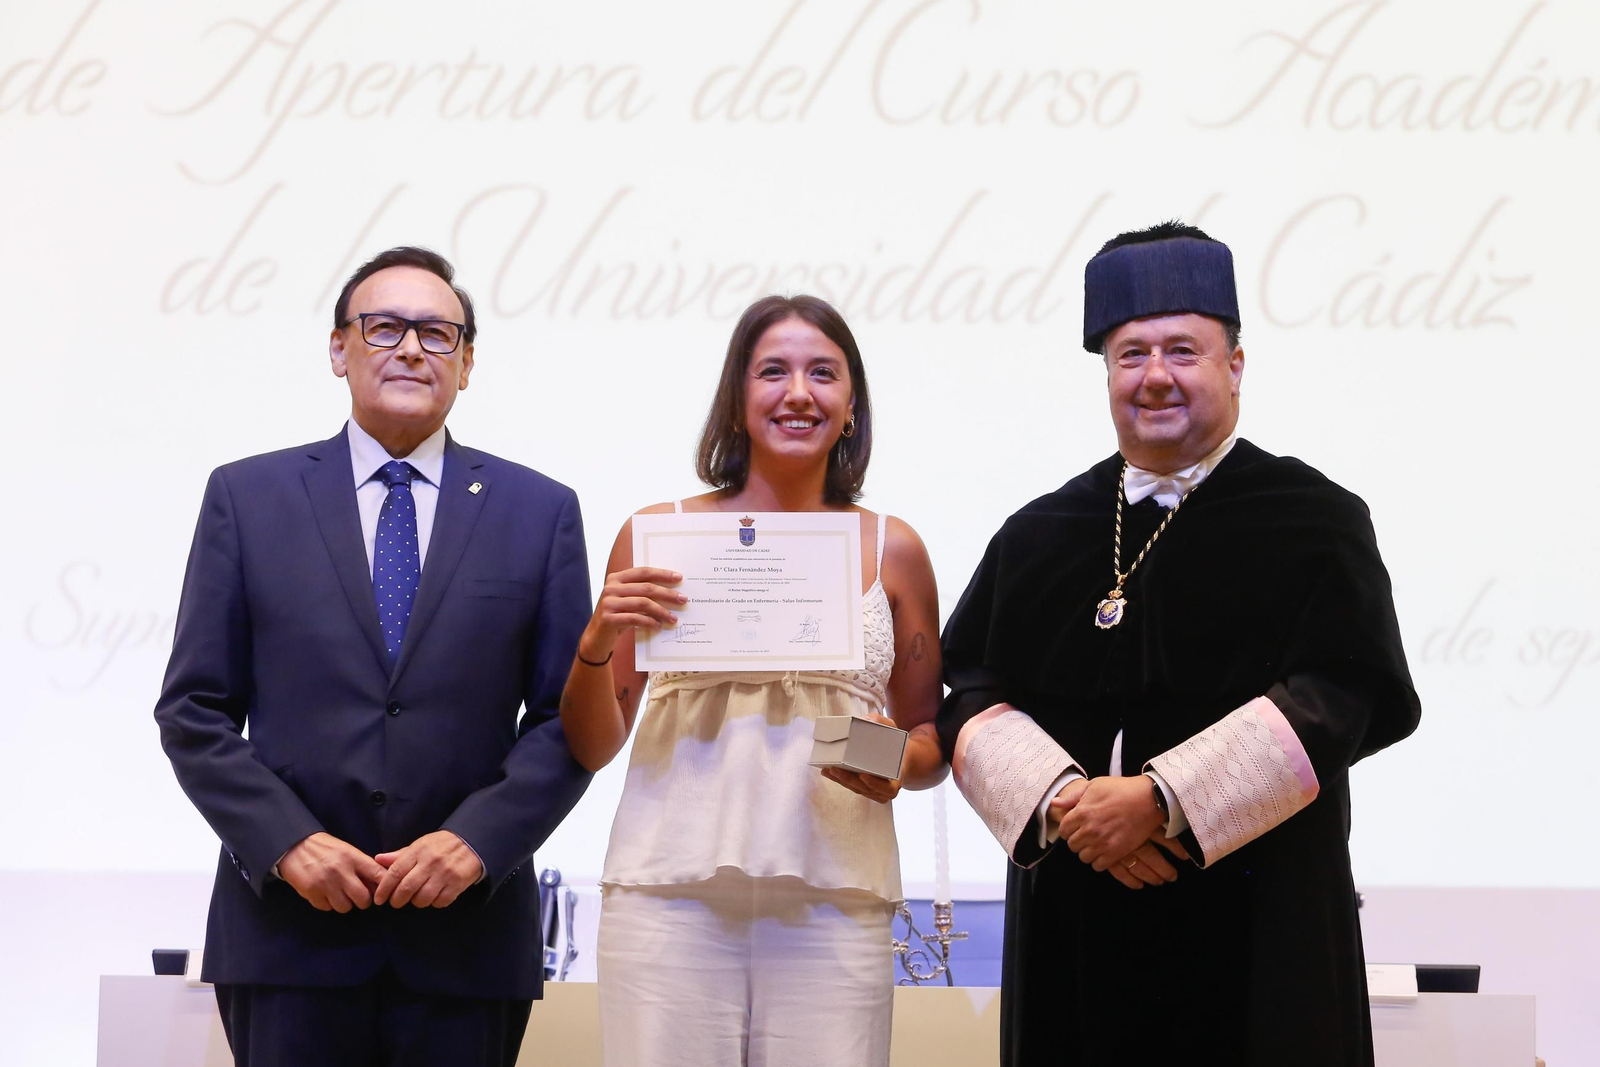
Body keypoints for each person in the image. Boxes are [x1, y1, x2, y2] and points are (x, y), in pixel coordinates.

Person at [939, 222, 1421, 1066]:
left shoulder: (1315, 522)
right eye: (1131, 354)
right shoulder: (1040, 532)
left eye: (1182, 350)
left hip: (1260, 924)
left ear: (1236, 364)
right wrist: (1067, 803)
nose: (1155, 375)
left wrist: (1160, 801)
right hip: (1078, 924)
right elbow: (972, 687)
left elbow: (1342, 692)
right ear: (1106, 372)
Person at [154, 246, 593, 1067]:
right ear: (339, 349)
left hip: (465, 942)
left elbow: (566, 720)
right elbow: (193, 710)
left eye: (437, 333)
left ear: (466, 363)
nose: (411, 348)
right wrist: (287, 842)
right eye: (384, 327)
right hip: (288, 937)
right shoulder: (247, 497)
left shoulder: (539, 511)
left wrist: (477, 843)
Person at [558, 294, 946, 1067]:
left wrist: (895, 759)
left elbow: (931, 737)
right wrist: (596, 642)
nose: (798, 392)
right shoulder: (657, 532)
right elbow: (594, 744)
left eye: (823, 373)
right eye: (773, 371)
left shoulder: (893, 549)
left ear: (852, 406)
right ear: (737, 399)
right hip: (668, 896)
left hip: (836, 899)